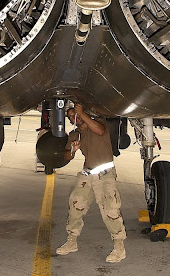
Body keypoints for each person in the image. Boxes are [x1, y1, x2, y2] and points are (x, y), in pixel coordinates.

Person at [56, 103, 127, 263]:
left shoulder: (98, 123)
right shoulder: (75, 135)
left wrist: (82, 113)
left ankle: (119, 247)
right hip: (87, 173)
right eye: (70, 117)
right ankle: (72, 241)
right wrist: (72, 150)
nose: (74, 117)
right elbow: (67, 157)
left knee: (110, 210)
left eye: (75, 114)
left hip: (105, 174)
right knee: (75, 206)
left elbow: (100, 131)